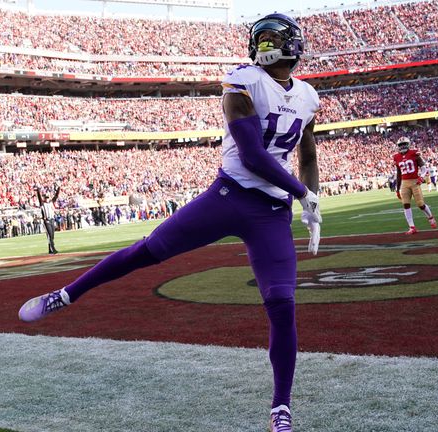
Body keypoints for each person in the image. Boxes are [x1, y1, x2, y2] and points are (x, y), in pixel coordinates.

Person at [19, 13, 321, 432]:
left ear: (290, 45)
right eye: (261, 37)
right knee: (149, 250)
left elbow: (308, 156)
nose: (265, 44)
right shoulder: (242, 81)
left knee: (283, 306)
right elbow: (252, 156)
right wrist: (303, 193)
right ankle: (65, 295)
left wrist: (313, 198)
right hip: (229, 196)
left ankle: (281, 408)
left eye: (272, 37)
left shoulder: (307, 96)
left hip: (271, 213)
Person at [392, 137, 437, 234]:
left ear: (408, 144)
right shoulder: (396, 157)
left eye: (404, 144)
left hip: (415, 181)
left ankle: (430, 217)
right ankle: (412, 227)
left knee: (420, 204)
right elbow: (399, 174)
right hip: (404, 182)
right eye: (401, 145)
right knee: (406, 204)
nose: (403, 146)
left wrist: (421, 177)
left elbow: (424, 168)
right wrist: (397, 188)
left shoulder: (414, 153)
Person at [38, 184, 60, 254]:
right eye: (46, 198)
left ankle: (50, 249)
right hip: (46, 220)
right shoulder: (42, 204)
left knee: (52, 235)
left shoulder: (51, 202)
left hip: (52, 219)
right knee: (50, 235)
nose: (47, 199)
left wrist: (58, 189)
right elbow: (39, 198)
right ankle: (53, 249)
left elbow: (56, 196)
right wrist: (38, 191)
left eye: (47, 197)